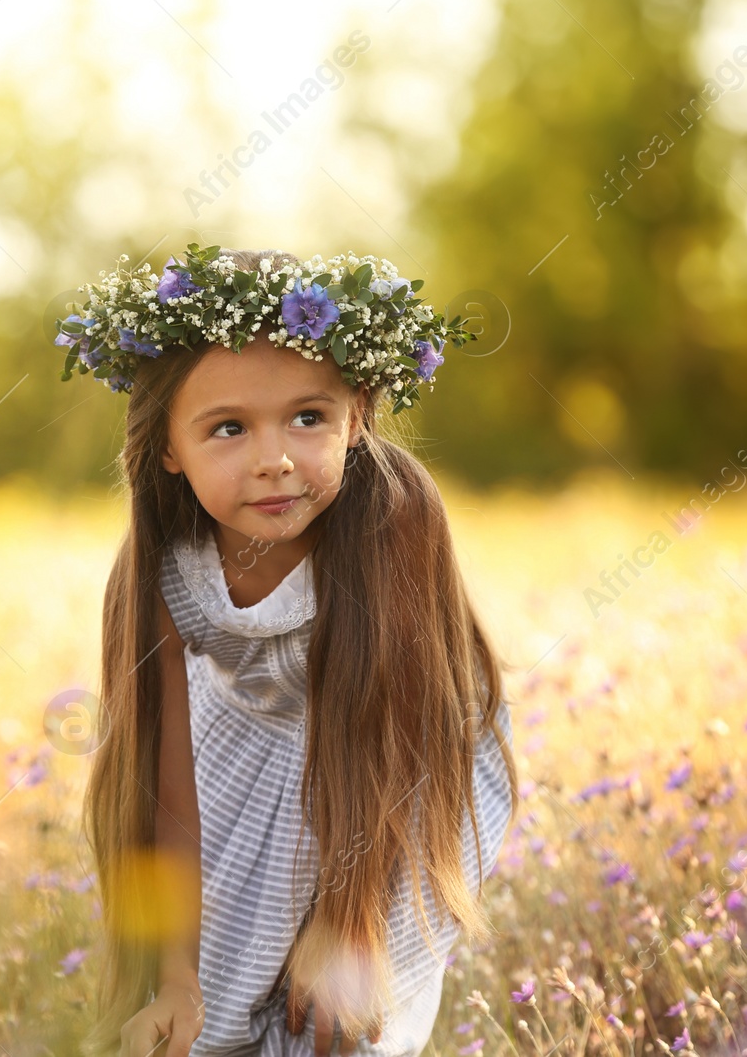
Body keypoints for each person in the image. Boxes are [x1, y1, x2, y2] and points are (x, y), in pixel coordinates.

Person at [66, 244, 518, 1056]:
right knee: (215, 1017)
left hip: (405, 768)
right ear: (168, 445)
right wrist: (176, 973)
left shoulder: (393, 520)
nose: (275, 458)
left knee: (338, 1018)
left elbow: (400, 733)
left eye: (308, 417)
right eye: (229, 428)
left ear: (358, 416)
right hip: (245, 753)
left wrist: (348, 920)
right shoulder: (165, 567)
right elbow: (166, 786)